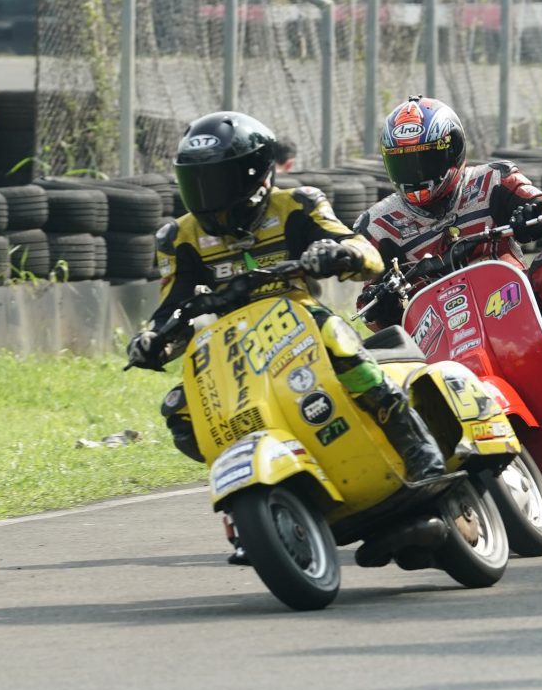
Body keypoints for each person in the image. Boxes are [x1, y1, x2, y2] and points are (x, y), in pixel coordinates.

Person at [127, 110, 446, 486]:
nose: (205, 195)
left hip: (300, 329)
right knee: (179, 410)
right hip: (232, 351)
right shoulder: (178, 238)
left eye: (216, 181)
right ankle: (250, 479)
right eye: (194, 182)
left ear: (255, 173)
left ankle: (416, 446)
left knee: (337, 340)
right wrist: (152, 342)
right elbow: (173, 309)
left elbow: (366, 255)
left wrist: (337, 254)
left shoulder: (298, 204)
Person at [351, 95, 542, 434]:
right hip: (440, 333)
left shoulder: (494, 179)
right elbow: (369, 303)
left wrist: (541, 217)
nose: (417, 174)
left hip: (513, 304)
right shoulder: (377, 225)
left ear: (453, 151)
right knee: (376, 360)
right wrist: (381, 303)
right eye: (404, 163)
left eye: (427, 159)